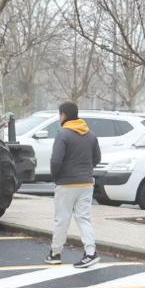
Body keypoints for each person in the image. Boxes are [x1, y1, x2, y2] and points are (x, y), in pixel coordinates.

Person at [47, 101, 102, 268]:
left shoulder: (63, 134)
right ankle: (91, 253)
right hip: (86, 183)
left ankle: (55, 253)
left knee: (62, 219)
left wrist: (56, 176)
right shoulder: (90, 135)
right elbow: (97, 159)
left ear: (63, 115)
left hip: (66, 184)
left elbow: (56, 161)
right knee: (84, 218)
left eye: (59, 115)